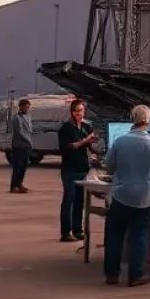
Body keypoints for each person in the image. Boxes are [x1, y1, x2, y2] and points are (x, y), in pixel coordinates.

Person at [103, 104, 150, 287]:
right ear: (147, 121)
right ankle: (135, 275)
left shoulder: (120, 141)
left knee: (115, 235)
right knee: (139, 235)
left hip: (122, 194)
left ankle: (112, 275)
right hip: (144, 196)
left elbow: (109, 166)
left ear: (132, 119)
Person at [57, 99, 95, 243]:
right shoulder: (67, 127)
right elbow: (66, 146)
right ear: (72, 112)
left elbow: (89, 146)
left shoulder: (85, 126)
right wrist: (83, 142)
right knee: (69, 200)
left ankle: (77, 229)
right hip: (70, 169)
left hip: (83, 168)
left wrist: (93, 147)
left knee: (80, 200)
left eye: (82, 110)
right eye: (77, 111)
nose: (80, 113)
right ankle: (65, 231)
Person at [9, 98, 33, 194]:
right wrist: (29, 140)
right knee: (17, 166)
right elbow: (19, 132)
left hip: (26, 145)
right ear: (21, 107)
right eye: (25, 107)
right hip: (19, 145)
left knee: (25, 165)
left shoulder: (28, 117)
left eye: (28, 107)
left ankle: (20, 184)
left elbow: (30, 129)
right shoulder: (16, 118)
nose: (27, 109)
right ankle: (13, 186)